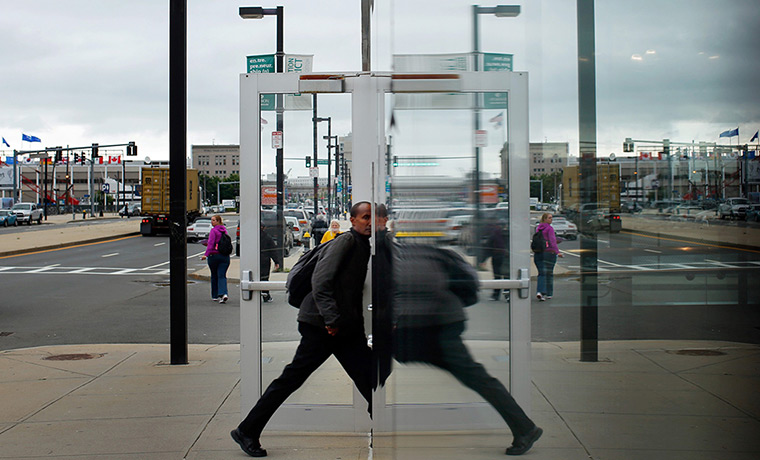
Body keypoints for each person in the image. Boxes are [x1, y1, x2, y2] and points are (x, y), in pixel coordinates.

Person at [231, 201, 374, 458]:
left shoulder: (363, 245)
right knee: (292, 379)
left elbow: (349, 291)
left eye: (373, 218)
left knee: (370, 377)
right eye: (364, 217)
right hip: (322, 326)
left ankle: (382, 424)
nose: (369, 222)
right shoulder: (346, 243)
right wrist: (331, 320)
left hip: (342, 328)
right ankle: (247, 430)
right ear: (352, 220)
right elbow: (321, 280)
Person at [392, 243, 543, 456]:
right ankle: (525, 428)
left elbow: (425, 287)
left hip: (436, 328)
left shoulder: (397, 257)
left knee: (476, 377)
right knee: (476, 376)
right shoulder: (416, 253)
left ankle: (525, 427)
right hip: (436, 325)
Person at [200, 215, 230, 304]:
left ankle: (215, 295)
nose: (211, 222)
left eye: (213, 220)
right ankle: (224, 293)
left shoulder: (214, 231)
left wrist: (206, 254)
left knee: (214, 275)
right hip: (225, 256)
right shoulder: (224, 230)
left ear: (218, 221)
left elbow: (211, 244)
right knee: (222, 275)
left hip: (214, 256)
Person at [534, 213, 563, 301]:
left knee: (541, 273)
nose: (551, 219)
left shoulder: (538, 228)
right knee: (549, 273)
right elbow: (552, 241)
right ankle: (548, 293)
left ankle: (541, 292)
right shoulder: (549, 229)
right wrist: (557, 252)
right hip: (549, 253)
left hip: (538, 253)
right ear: (545, 219)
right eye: (549, 218)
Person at [260, 222, 282, 303]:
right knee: (264, 278)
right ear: (263, 228)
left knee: (254, 277)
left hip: (255, 260)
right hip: (265, 260)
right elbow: (273, 250)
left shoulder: (252, 237)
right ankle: (266, 296)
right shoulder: (267, 237)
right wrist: (276, 261)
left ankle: (253, 295)